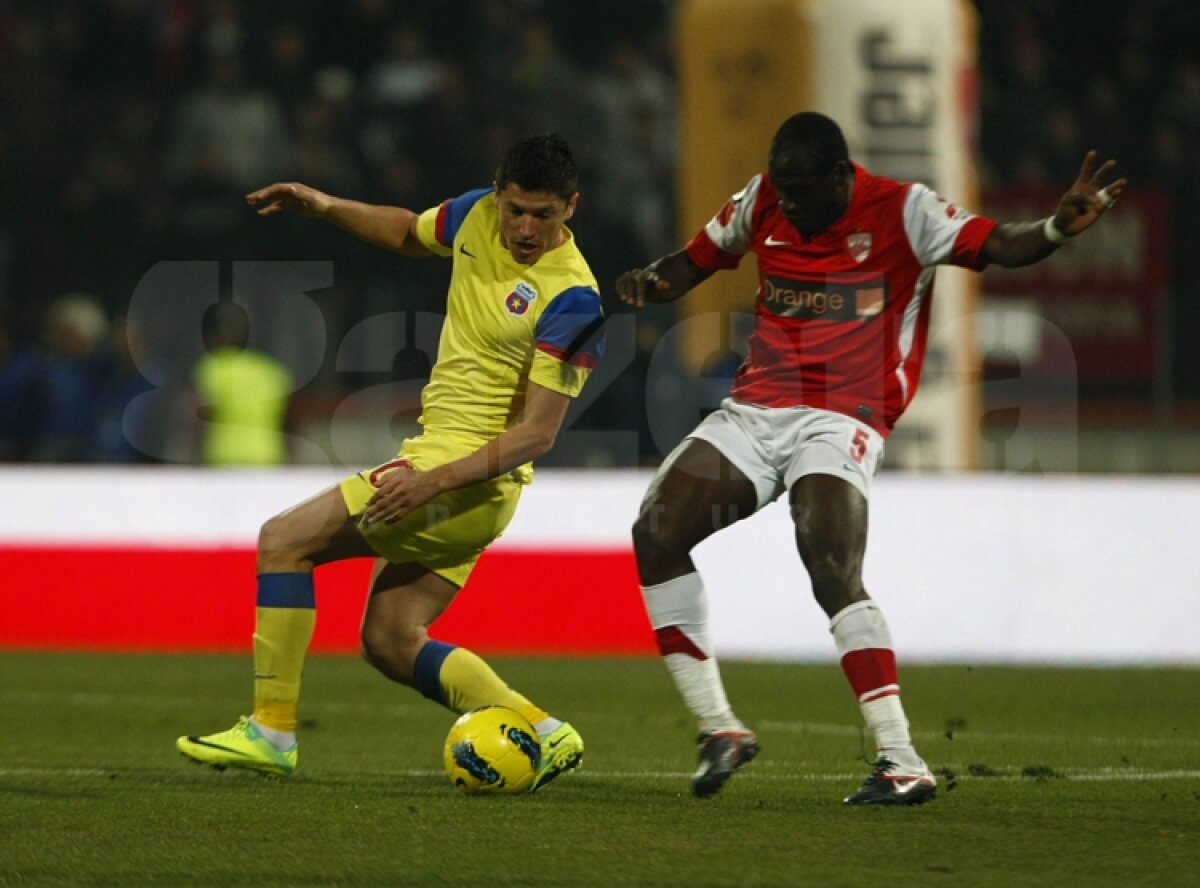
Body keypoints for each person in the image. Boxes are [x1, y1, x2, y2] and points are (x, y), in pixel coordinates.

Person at [616, 111, 1125, 805]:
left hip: (842, 416)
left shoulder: (905, 209)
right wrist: (653, 281)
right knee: (656, 532)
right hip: (757, 408)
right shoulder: (762, 197)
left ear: (838, 175)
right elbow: (694, 261)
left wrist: (1058, 228)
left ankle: (901, 758)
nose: (787, 204)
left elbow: (1000, 246)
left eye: (800, 191)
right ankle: (719, 730)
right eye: (781, 191)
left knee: (828, 563)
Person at [177, 133, 605, 791]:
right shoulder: (473, 216)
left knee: (284, 540)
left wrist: (429, 481)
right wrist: (323, 205)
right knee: (391, 639)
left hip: (461, 478)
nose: (524, 228)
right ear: (497, 196)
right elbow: (408, 231)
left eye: (543, 215)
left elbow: (536, 435)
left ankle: (271, 731)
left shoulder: (573, 300)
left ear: (570, 207)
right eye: (516, 209)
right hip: (448, 473)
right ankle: (543, 731)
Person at [192, 301, 294, 466]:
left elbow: (200, 417)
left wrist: (193, 456)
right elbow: (289, 422)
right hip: (268, 458)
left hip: (222, 459)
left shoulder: (212, 367)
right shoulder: (273, 371)